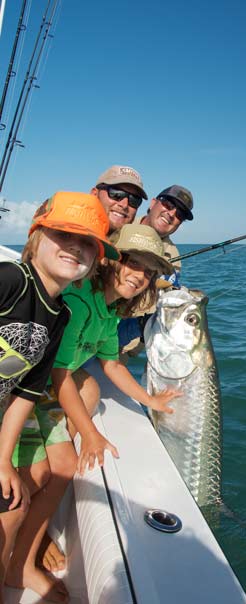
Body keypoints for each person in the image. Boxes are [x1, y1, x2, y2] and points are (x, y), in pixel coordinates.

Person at [7, 223, 181, 601]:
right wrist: (89, 432)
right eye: (133, 263)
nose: (139, 275)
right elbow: (60, 373)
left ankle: (21, 561)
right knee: (32, 479)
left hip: (46, 395)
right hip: (31, 392)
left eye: (149, 271)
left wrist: (152, 402)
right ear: (111, 261)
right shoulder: (81, 300)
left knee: (64, 467)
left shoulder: (109, 311)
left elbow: (112, 363)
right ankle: (21, 551)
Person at [0, 191, 118, 602]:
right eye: (63, 233)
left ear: (97, 259)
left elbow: (26, 394)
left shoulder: (61, 314)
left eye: (88, 242)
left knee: (12, 504)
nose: (75, 245)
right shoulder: (11, 280)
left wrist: (2, 462)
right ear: (36, 235)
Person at [118, 185, 194, 354]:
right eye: (168, 204)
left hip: (121, 346)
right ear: (153, 203)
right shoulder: (121, 223)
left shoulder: (173, 255)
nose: (172, 213)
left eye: (180, 214)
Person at [91, 165, 148, 234]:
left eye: (134, 199)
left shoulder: (133, 243)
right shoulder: (75, 235)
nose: (124, 205)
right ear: (95, 194)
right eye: (116, 193)